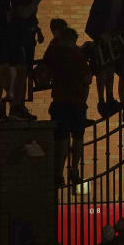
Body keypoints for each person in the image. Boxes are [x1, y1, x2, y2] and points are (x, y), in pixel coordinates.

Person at [45, 27, 92, 185]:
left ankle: (59, 174)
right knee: (77, 138)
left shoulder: (56, 54)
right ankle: (74, 171)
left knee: (62, 139)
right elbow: (87, 78)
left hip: (60, 101)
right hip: (77, 102)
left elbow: (45, 69)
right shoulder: (79, 55)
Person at [85, 0, 124, 118]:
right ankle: (101, 99)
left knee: (110, 66)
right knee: (102, 68)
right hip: (102, 34)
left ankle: (110, 96)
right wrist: (100, 34)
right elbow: (97, 14)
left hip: (113, 35)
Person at [9, 0, 50, 121]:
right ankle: (16, 106)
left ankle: (20, 105)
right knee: (21, 72)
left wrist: (37, 30)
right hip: (20, 38)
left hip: (28, 36)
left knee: (24, 72)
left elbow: (29, 16)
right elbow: (24, 13)